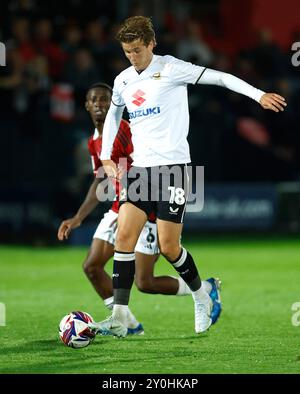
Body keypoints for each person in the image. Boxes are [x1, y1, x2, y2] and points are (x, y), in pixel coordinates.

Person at [91, 16, 287, 336]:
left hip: (175, 170)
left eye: (138, 50)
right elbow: (114, 114)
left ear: (152, 44)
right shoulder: (124, 80)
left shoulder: (171, 68)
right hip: (140, 171)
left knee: (169, 247)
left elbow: (221, 79)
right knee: (124, 237)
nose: (133, 56)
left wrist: (258, 94)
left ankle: (202, 294)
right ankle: (119, 315)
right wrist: (105, 156)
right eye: (127, 51)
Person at [58, 82, 221, 336]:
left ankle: (205, 289)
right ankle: (126, 324)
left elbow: (147, 165)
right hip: (120, 207)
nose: (100, 104)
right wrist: (79, 217)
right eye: (94, 100)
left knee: (145, 281)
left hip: (147, 208)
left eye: (105, 99)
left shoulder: (125, 130)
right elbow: (101, 178)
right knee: (91, 266)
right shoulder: (94, 141)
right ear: (87, 105)